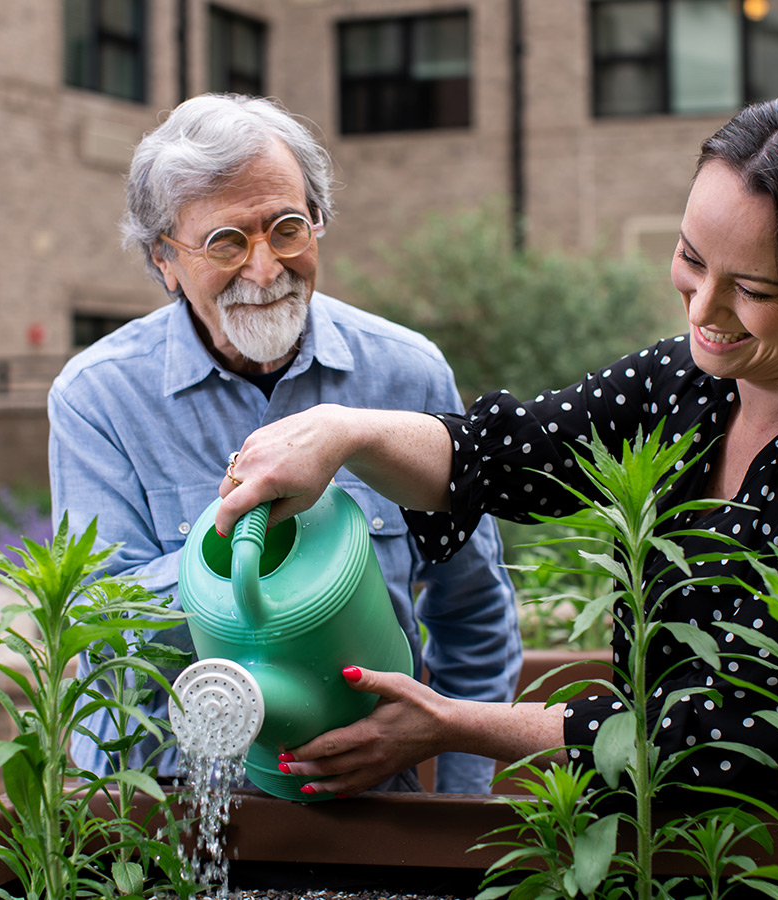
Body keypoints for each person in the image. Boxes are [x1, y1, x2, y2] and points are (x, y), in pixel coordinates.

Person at [215, 91, 778, 803]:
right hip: (662, 848)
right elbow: (505, 457)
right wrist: (343, 432)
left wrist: (452, 725)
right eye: (692, 258)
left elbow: (738, 743)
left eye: (752, 289)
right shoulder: (686, 381)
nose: (703, 308)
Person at [47, 93, 522, 793]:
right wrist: (247, 559)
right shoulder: (99, 399)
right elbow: (100, 629)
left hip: (374, 810)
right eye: (226, 242)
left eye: (287, 228)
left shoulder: (405, 373)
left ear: (318, 223)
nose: (265, 269)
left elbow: (473, 608)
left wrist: (459, 800)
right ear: (163, 261)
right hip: (175, 818)